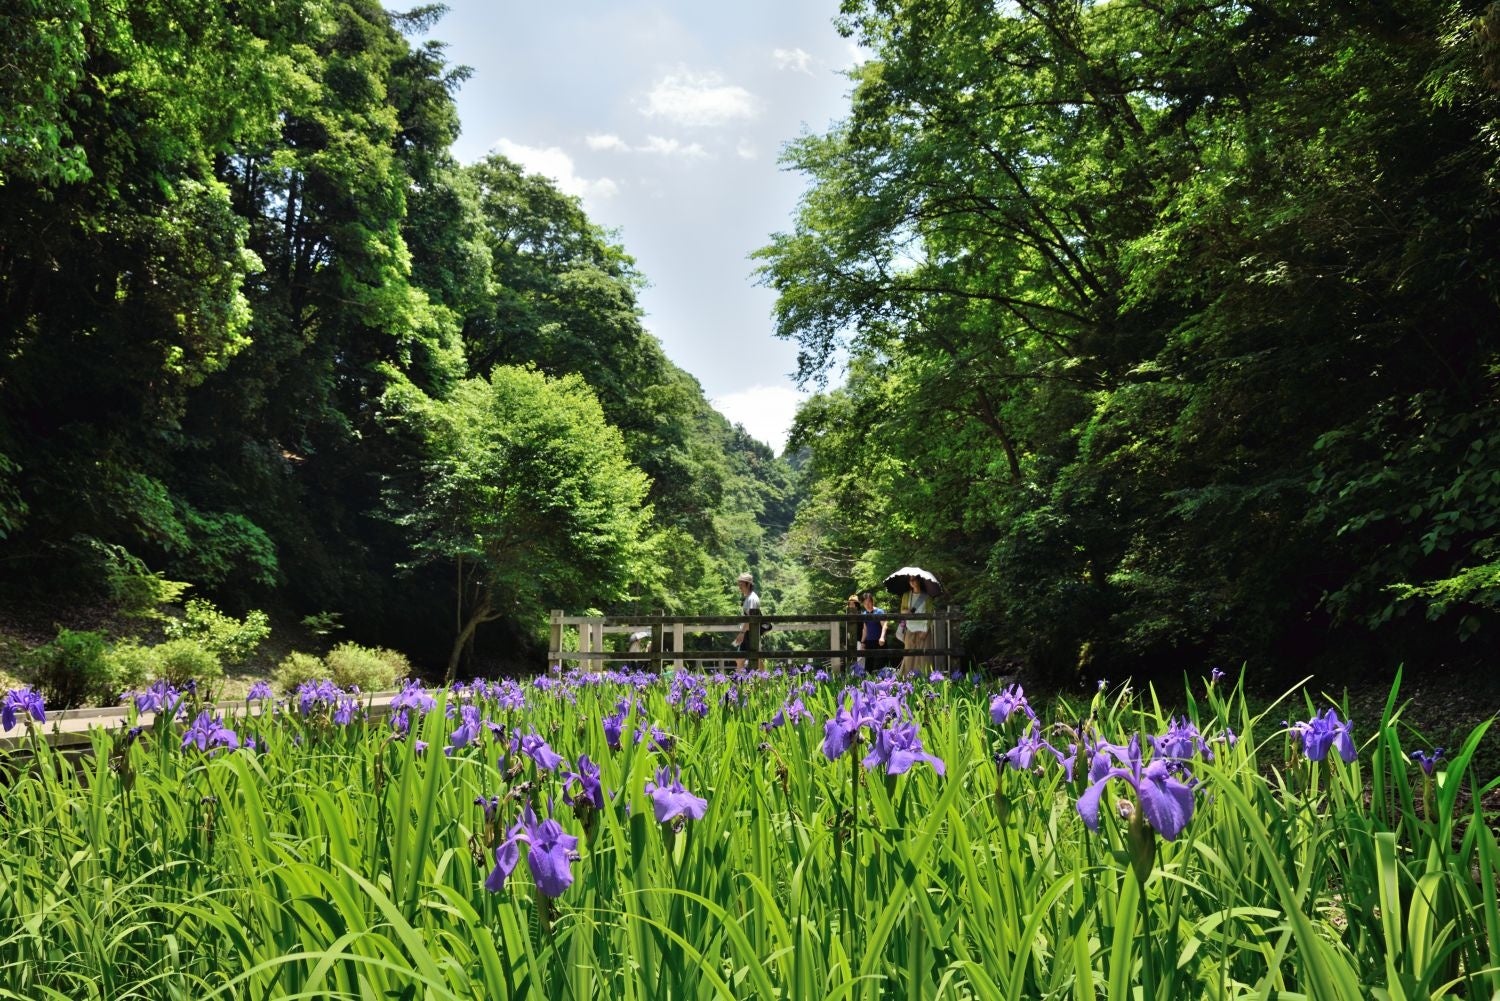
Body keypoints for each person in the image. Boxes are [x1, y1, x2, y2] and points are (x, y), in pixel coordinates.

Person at [897, 575, 932, 675]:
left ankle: (924, 679)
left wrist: (925, 630)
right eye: (910, 580)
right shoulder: (906, 595)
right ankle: (907, 680)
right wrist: (906, 611)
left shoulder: (927, 597)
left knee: (923, 657)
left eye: (913, 579)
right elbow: (902, 611)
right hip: (910, 628)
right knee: (909, 657)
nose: (911, 582)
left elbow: (930, 614)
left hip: (923, 630)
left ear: (919, 580)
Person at [731, 571, 761, 668]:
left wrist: (742, 633)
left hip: (750, 633)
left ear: (748, 585)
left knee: (743, 659)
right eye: (739, 584)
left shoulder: (751, 599)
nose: (739, 586)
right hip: (749, 633)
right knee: (755, 659)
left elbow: (750, 619)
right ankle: (763, 680)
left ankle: (741, 681)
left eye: (741, 584)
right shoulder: (748, 598)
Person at [859, 589, 888, 668]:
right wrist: (862, 643)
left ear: (872, 601)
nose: (867, 605)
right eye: (865, 603)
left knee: (880, 666)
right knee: (868, 666)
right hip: (869, 642)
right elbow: (865, 629)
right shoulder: (864, 614)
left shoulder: (879, 612)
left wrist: (882, 637)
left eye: (868, 602)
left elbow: (885, 625)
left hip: (879, 642)